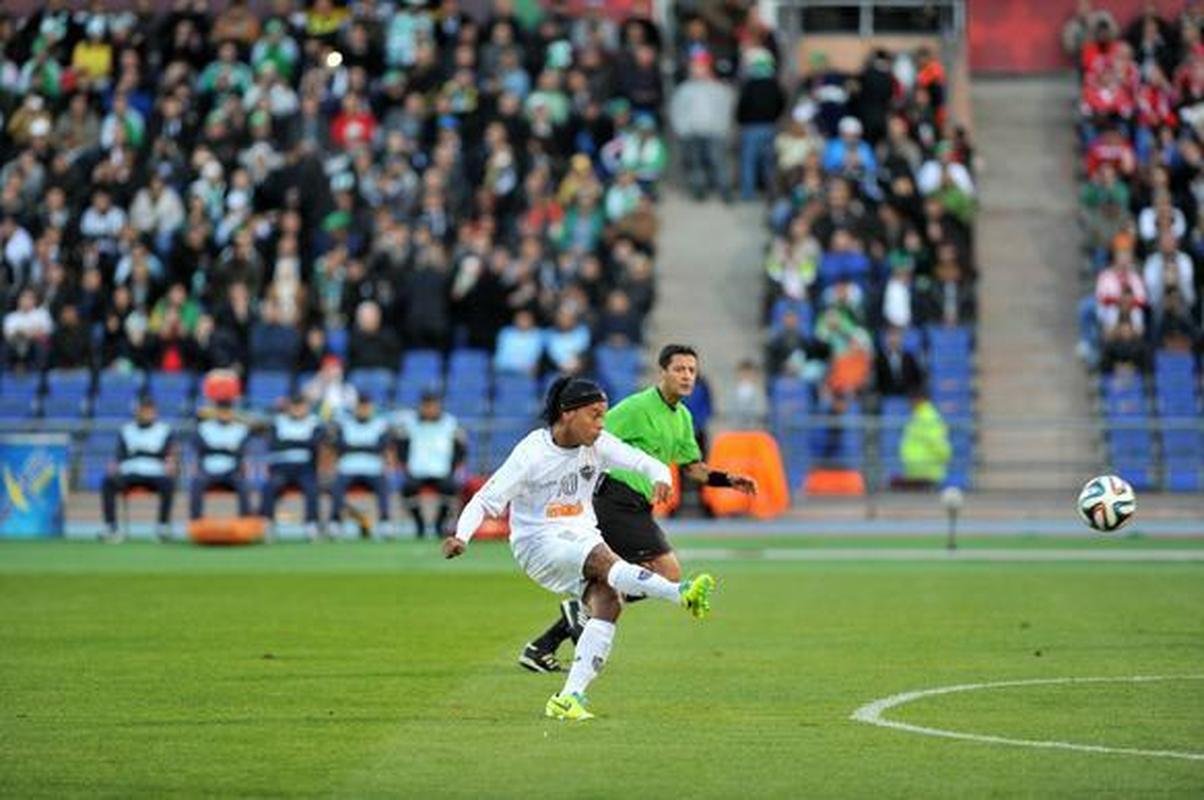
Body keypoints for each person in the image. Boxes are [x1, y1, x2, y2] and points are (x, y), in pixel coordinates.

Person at [442, 377, 716, 721]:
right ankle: (680, 593)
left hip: (581, 534)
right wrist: (462, 536)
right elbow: (485, 500)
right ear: (567, 413)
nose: (601, 424)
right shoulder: (532, 453)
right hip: (538, 542)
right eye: (595, 415)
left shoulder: (598, 444)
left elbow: (640, 461)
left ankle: (569, 697)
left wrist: (661, 475)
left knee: (608, 601)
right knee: (605, 562)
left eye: (603, 415)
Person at [519, 344, 756, 673]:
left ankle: (541, 646)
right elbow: (591, 434)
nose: (687, 376)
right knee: (667, 571)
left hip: (636, 505)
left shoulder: (683, 417)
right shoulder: (636, 407)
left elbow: (692, 467)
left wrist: (728, 479)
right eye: (680, 369)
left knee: (613, 579)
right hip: (614, 498)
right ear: (663, 373)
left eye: (692, 371)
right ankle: (585, 613)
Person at [100, 395, 176, 542]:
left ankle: (163, 526)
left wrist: (170, 463)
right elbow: (119, 455)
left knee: (169, 483)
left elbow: (168, 454)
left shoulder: (164, 430)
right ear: (137, 411)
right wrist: (114, 466)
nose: (147, 414)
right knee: (108, 482)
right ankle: (111, 526)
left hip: (155, 472)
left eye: (150, 411)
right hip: (130, 471)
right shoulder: (126, 429)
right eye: (143, 410)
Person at [396, 390, 466, 538]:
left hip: (442, 470)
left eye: (432, 405)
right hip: (417, 470)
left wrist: (453, 467)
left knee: (450, 488)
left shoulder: (450, 423)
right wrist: (405, 465)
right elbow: (400, 446)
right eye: (426, 406)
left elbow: (461, 448)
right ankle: (419, 523)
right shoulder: (410, 423)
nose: (429, 409)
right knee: (408, 489)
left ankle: (439, 523)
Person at [260, 394, 324, 541]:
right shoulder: (278, 422)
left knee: (312, 489)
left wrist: (288, 442)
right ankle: (268, 523)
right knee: (270, 487)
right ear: (289, 408)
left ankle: (311, 524)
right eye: (295, 407)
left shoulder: (314, 423)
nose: (298, 410)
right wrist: (301, 443)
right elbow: (274, 445)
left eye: (301, 407)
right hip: (281, 466)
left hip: (304, 467)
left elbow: (313, 444)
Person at [330, 393, 394, 538]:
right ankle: (335, 521)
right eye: (360, 407)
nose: (363, 410)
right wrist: (367, 446)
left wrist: (354, 446)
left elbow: (380, 447)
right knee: (336, 487)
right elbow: (340, 447)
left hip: (373, 469)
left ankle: (385, 522)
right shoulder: (344, 423)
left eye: (366, 407)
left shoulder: (380, 424)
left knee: (383, 487)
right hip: (348, 468)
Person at [189, 399, 252, 519]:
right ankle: (196, 520)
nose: (224, 414)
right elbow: (201, 447)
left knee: (244, 486)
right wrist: (227, 448)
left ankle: (245, 520)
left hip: (231, 470)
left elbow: (240, 451)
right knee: (196, 484)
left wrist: (215, 447)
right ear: (216, 412)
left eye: (227, 411)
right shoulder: (203, 427)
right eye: (221, 411)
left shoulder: (241, 429)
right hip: (209, 469)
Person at [894, 389, 951, 489]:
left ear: (919, 400)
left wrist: (944, 458)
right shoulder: (919, 415)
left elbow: (937, 442)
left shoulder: (928, 417)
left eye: (911, 400)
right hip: (916, 472)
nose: (909, 403)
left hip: (926, 472)